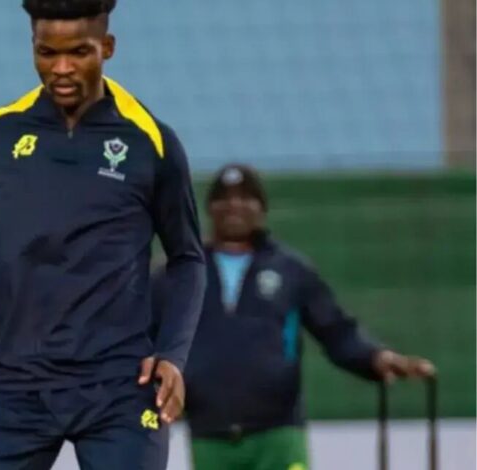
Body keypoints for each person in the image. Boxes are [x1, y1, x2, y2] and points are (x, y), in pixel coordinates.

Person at [0, 1, 207, 468]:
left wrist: (172, 355)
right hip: (16, 383)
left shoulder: (149, 141)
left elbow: (188, 259)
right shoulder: (0, 131)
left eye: (78, 52)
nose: (61, 69)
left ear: (107, 48)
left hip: (120, 386)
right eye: (46, 53)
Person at [154, 164, 435, 470]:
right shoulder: (180, 272)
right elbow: (143, 335)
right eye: (224, 198)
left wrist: (375, 358)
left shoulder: (290, 270)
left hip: (279, 434)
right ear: (210, 208)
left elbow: (335, 330)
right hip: (209, 435)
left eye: (246, 197)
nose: (234, 205)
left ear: (262, 209)